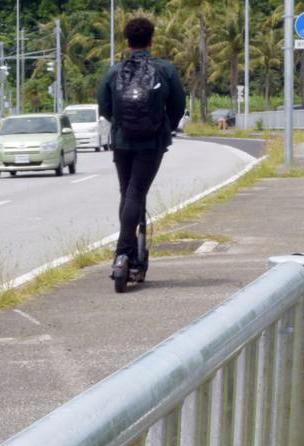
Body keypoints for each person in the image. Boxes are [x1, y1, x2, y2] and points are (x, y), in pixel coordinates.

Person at [98, 16, 186, 284]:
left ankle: (124, 256)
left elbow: (104, 106)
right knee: (137, 192)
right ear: (151, 40)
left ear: (127, 42)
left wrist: (123, 125)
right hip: (152, 142)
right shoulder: (165, 69)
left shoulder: (114, 71)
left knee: (127, 193)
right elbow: (178, 105)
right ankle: (124, 254)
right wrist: (164, 127)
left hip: (123, 141)